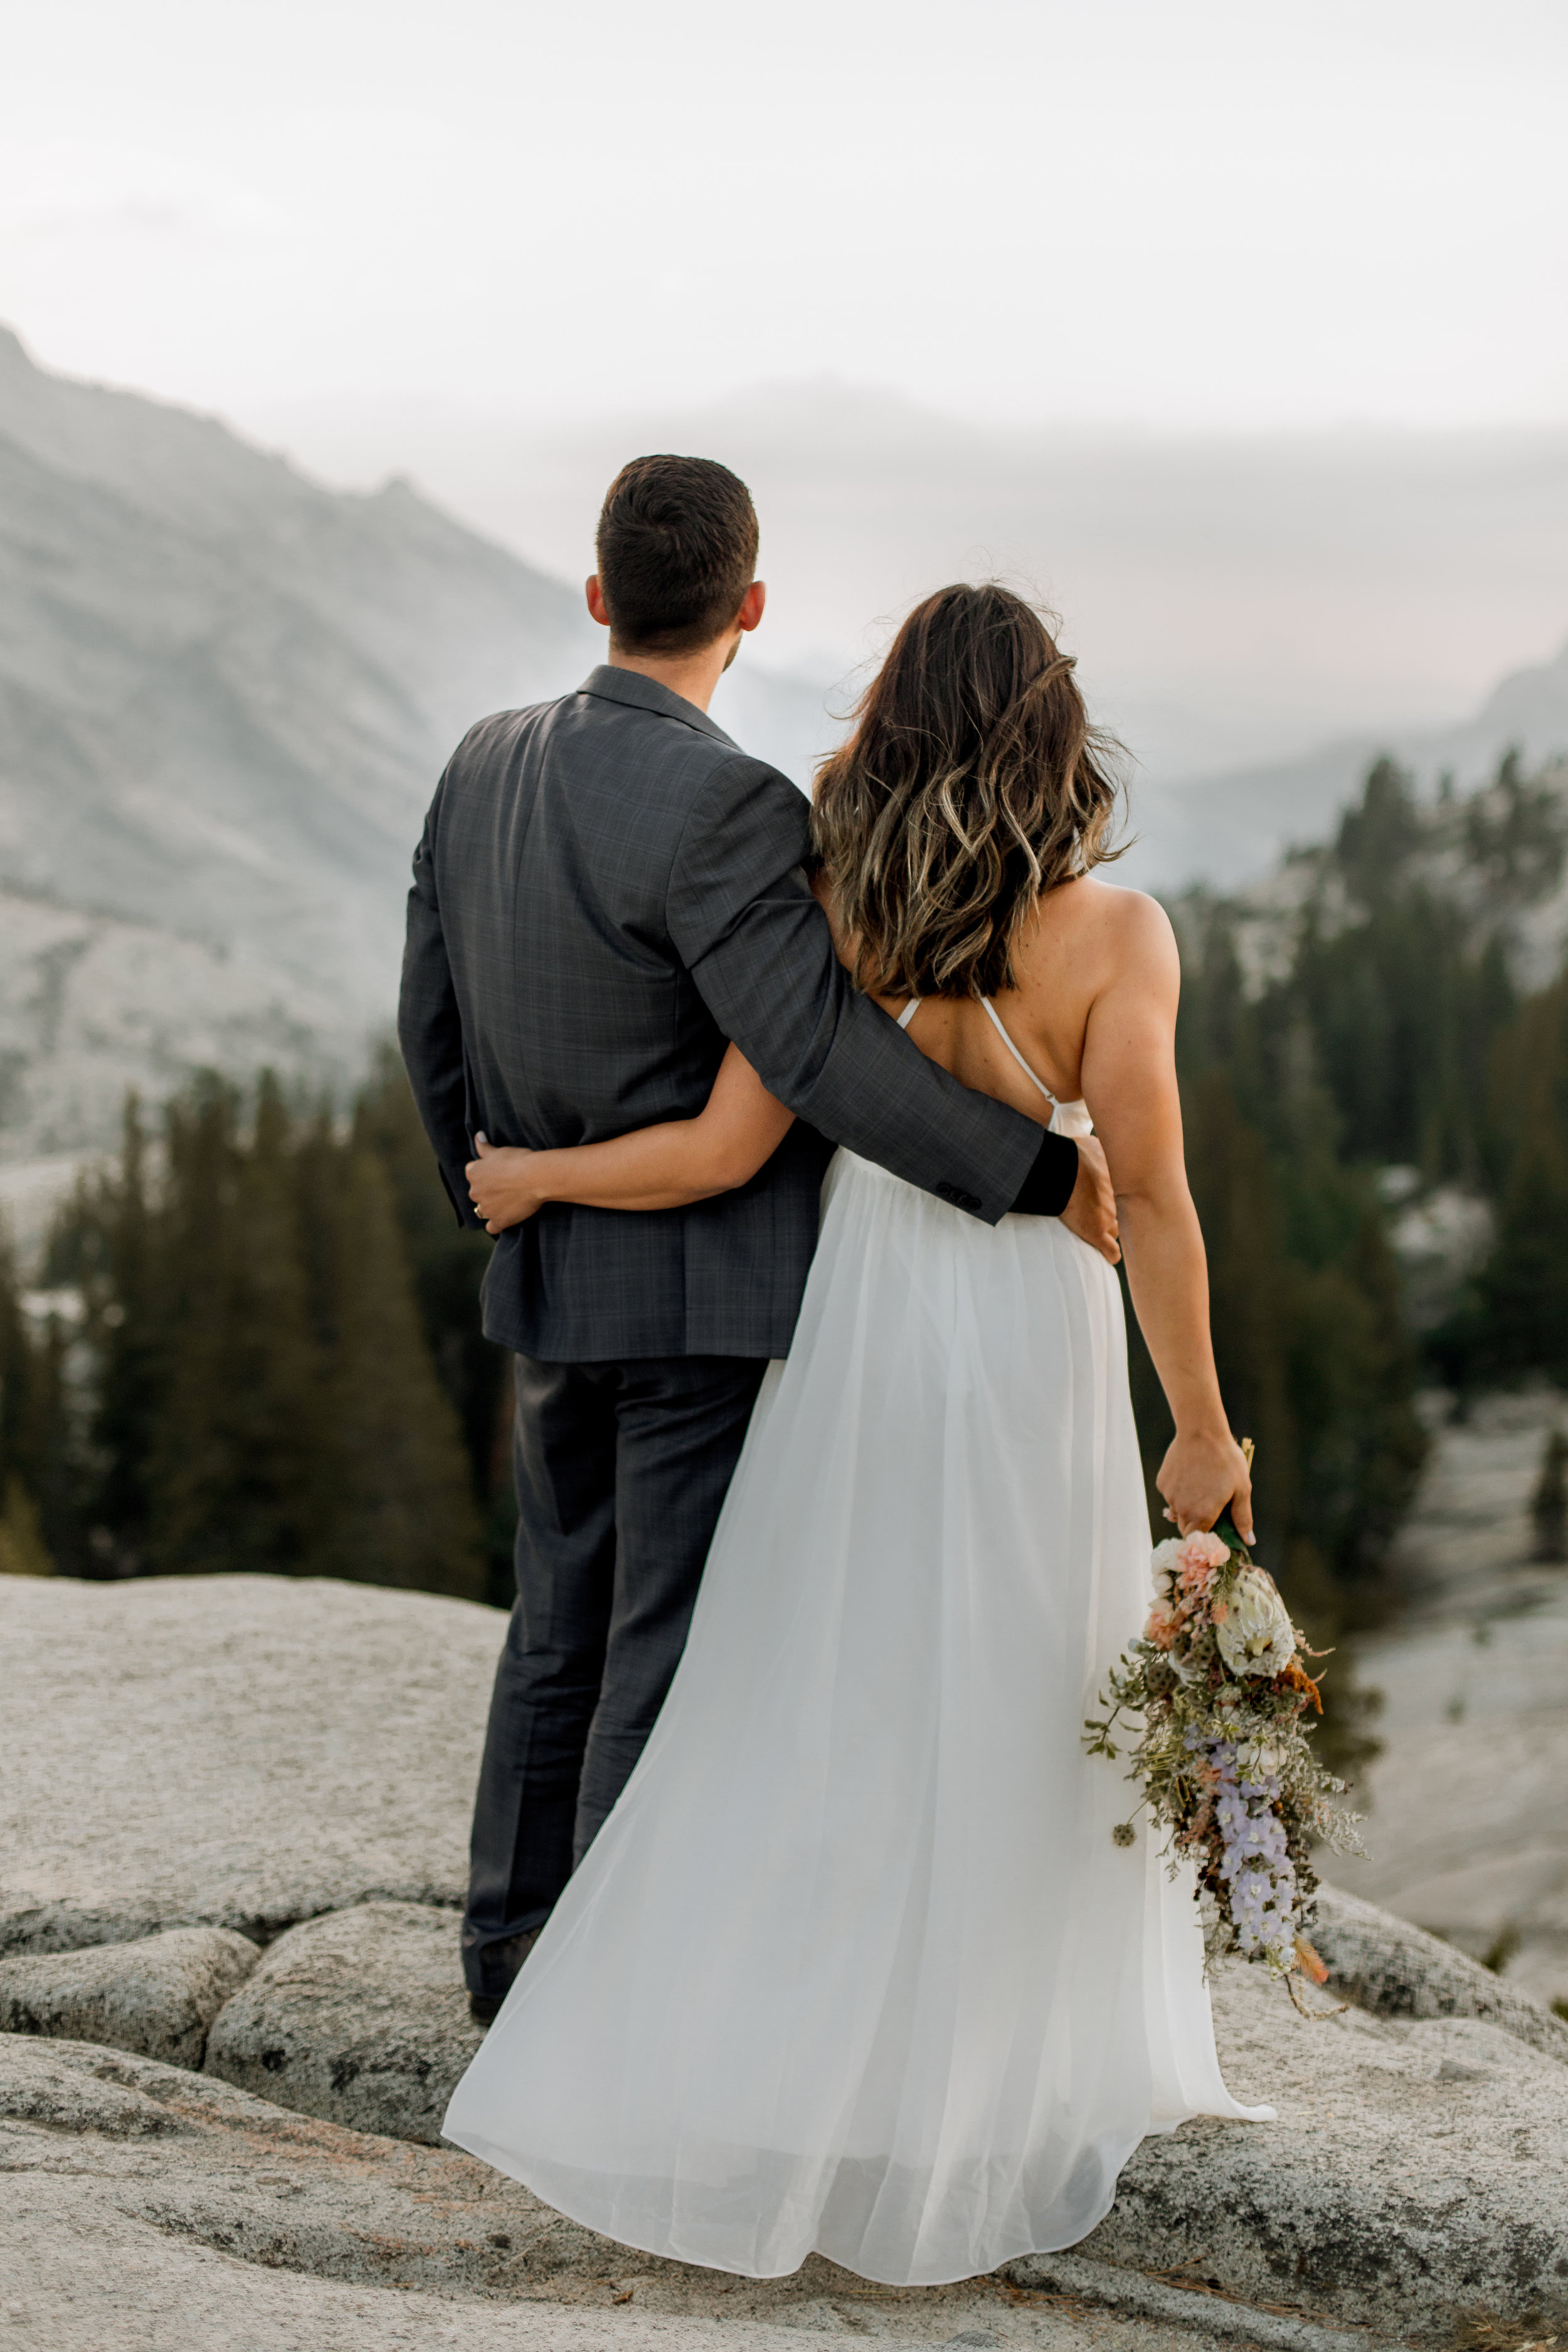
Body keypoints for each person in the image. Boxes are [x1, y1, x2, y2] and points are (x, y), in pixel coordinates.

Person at [440, 581, 1268, 2286]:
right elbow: (1158, 1200)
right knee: (1035, 1671)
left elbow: (743, 1134)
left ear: (890, 720)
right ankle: (992, 2058)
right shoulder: (1118, 937)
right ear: (1052, 729)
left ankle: (736, 2017)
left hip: (860, 1318)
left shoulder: (839, 897)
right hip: (1032, 1328)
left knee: (832, 1671)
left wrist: (535, 1176)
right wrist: (1199, 1426)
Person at [398, 459, 1119, 2023]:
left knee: (554, 1632)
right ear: (749, 608)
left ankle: (505, 1965)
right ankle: (601, 2011)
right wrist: (1036, 1176)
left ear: (599, 595)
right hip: (698, 1300)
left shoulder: (480, 763)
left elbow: (429, 1018)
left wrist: (496, 1180)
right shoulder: (729, 804)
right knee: (657, 1649)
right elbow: (814, 1051)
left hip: (547, 1283)